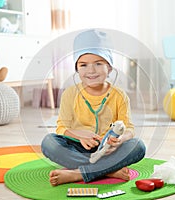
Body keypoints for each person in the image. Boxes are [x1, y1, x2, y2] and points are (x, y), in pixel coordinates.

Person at [41, 29, 146, 186]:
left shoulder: (119, 95)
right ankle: (109, 170)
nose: (90, 70)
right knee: (49, 142)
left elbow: (129, 128)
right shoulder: (70, 94)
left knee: (138, 146)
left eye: (98, 63)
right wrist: (80, 136)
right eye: (83, 65)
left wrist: (120, 140)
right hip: (79, 148)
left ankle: (78, 173)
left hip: (109, 150)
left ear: (109, 67)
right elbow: (62, 128)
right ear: (77, 69)